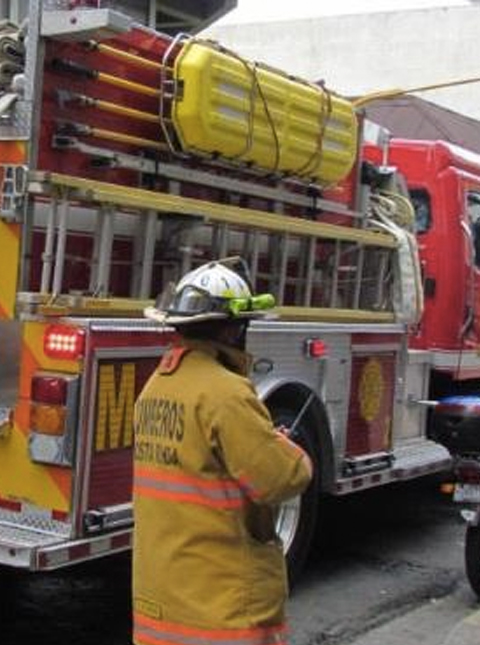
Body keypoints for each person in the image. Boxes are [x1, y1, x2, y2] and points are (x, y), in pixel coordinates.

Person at [131, 259, 313, 645]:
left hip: (163, 604)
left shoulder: (156, 388)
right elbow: (279, 479)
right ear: (233, 329)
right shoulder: (226, 393)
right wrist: (290, 448)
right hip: (220, 610)